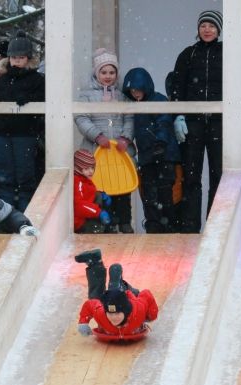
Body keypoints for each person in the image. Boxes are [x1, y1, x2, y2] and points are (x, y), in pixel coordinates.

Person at [169, 10, 223, 233]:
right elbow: (177, 86)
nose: (207, 29)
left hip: (219, 122)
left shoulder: (227, 54)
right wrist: (178, 115)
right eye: (203, 26)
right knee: (191, 176)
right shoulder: (188, 54)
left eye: (211, 26)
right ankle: (190, 227)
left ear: (219, 30)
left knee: (218, 176)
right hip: (193, 122)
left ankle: (216, 227)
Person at [0, 30, 46, 213]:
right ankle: (6, 215)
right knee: (4, 177)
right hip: (2, 135)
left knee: (25, 176)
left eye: (20, 57)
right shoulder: (2, 81)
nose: (16, 61)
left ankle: (26, 214)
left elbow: (42, 103)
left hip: (26, 135)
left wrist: (27, 98)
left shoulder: (37, 80)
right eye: (13, 57)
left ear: (28, 58)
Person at [74, 48, 135, 233]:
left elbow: (130, 118)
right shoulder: (86, 96)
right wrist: (97, 135)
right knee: (100, 189)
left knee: (122, 185)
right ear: (96, 73)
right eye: (103, 72)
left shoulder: (123, 96)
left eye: (112, 72)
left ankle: (124, 221)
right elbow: (81, 117)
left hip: (119, 153)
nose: (108, 76)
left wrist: (125, 137)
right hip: (96, 152)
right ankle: (106, 222)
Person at [122, 67, 182, 232]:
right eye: (132, 90)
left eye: (138, 89)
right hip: (147, 157)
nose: (135, 93)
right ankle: (153, 227)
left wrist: (160, 143)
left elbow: (164, 122)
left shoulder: (158, 100)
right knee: (149, 194)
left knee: (165, 193)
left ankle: (169, 226)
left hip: (165, 156)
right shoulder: (134, 107)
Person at [74, 248, 159, 340]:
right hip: (110, 301)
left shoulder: (138, 311)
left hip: (130, 295)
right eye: (110, 313)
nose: (113, 317)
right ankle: (96, 263)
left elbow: (146, 294)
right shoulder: (102, 314)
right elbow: (90, 305)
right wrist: (83, 322)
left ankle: (112, 279)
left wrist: (150, 315)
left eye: (117, 313)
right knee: (98, 298)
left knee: (109, 293)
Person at [73, 149, 112, 234]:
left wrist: (101, 195)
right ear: (78, 168)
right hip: (80, 222)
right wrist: (98, 212)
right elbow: (78, 205)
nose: (91, 171)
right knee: (98, 230)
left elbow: (89, 193)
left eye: (92, 168)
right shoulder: (77, 182)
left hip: (87, 217)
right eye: (86, 168)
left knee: (98, 196)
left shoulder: (85, 180)